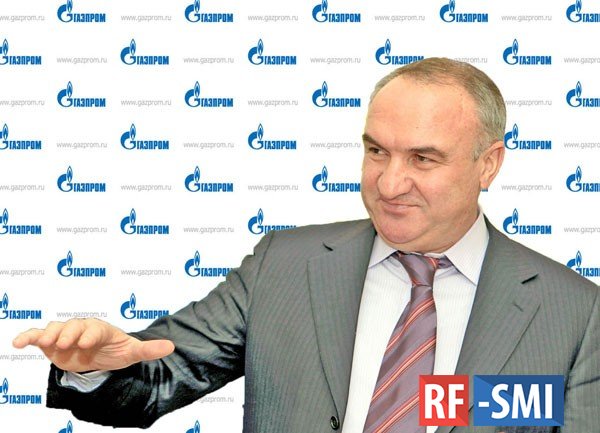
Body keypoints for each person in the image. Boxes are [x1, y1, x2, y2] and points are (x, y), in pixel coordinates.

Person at [13, 58, 599, 433]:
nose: (389, 183)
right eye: (377, 151)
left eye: (423, 158)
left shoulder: (576, 313)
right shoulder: (283, 267)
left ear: (488, 164)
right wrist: (93, 370)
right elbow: (156, 378)